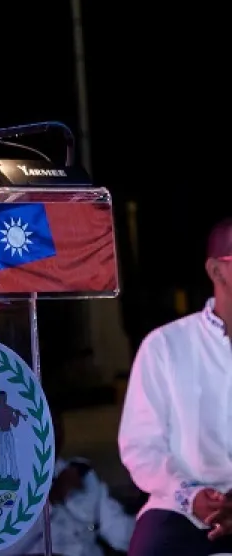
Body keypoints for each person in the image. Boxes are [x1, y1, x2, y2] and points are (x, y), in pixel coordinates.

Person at [118, 219, 232, 556]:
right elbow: (141, 446)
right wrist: (191, 494)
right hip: (183, 506)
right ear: (216, 271)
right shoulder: (166, 345)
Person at [0, 416, 137, 556]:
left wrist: (151, 519)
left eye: (57, 425)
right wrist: (51, 500)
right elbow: (3, 549)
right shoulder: (7, 486)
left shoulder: (80, 473)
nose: (53, 432)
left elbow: (119, 534)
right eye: (43, 425)